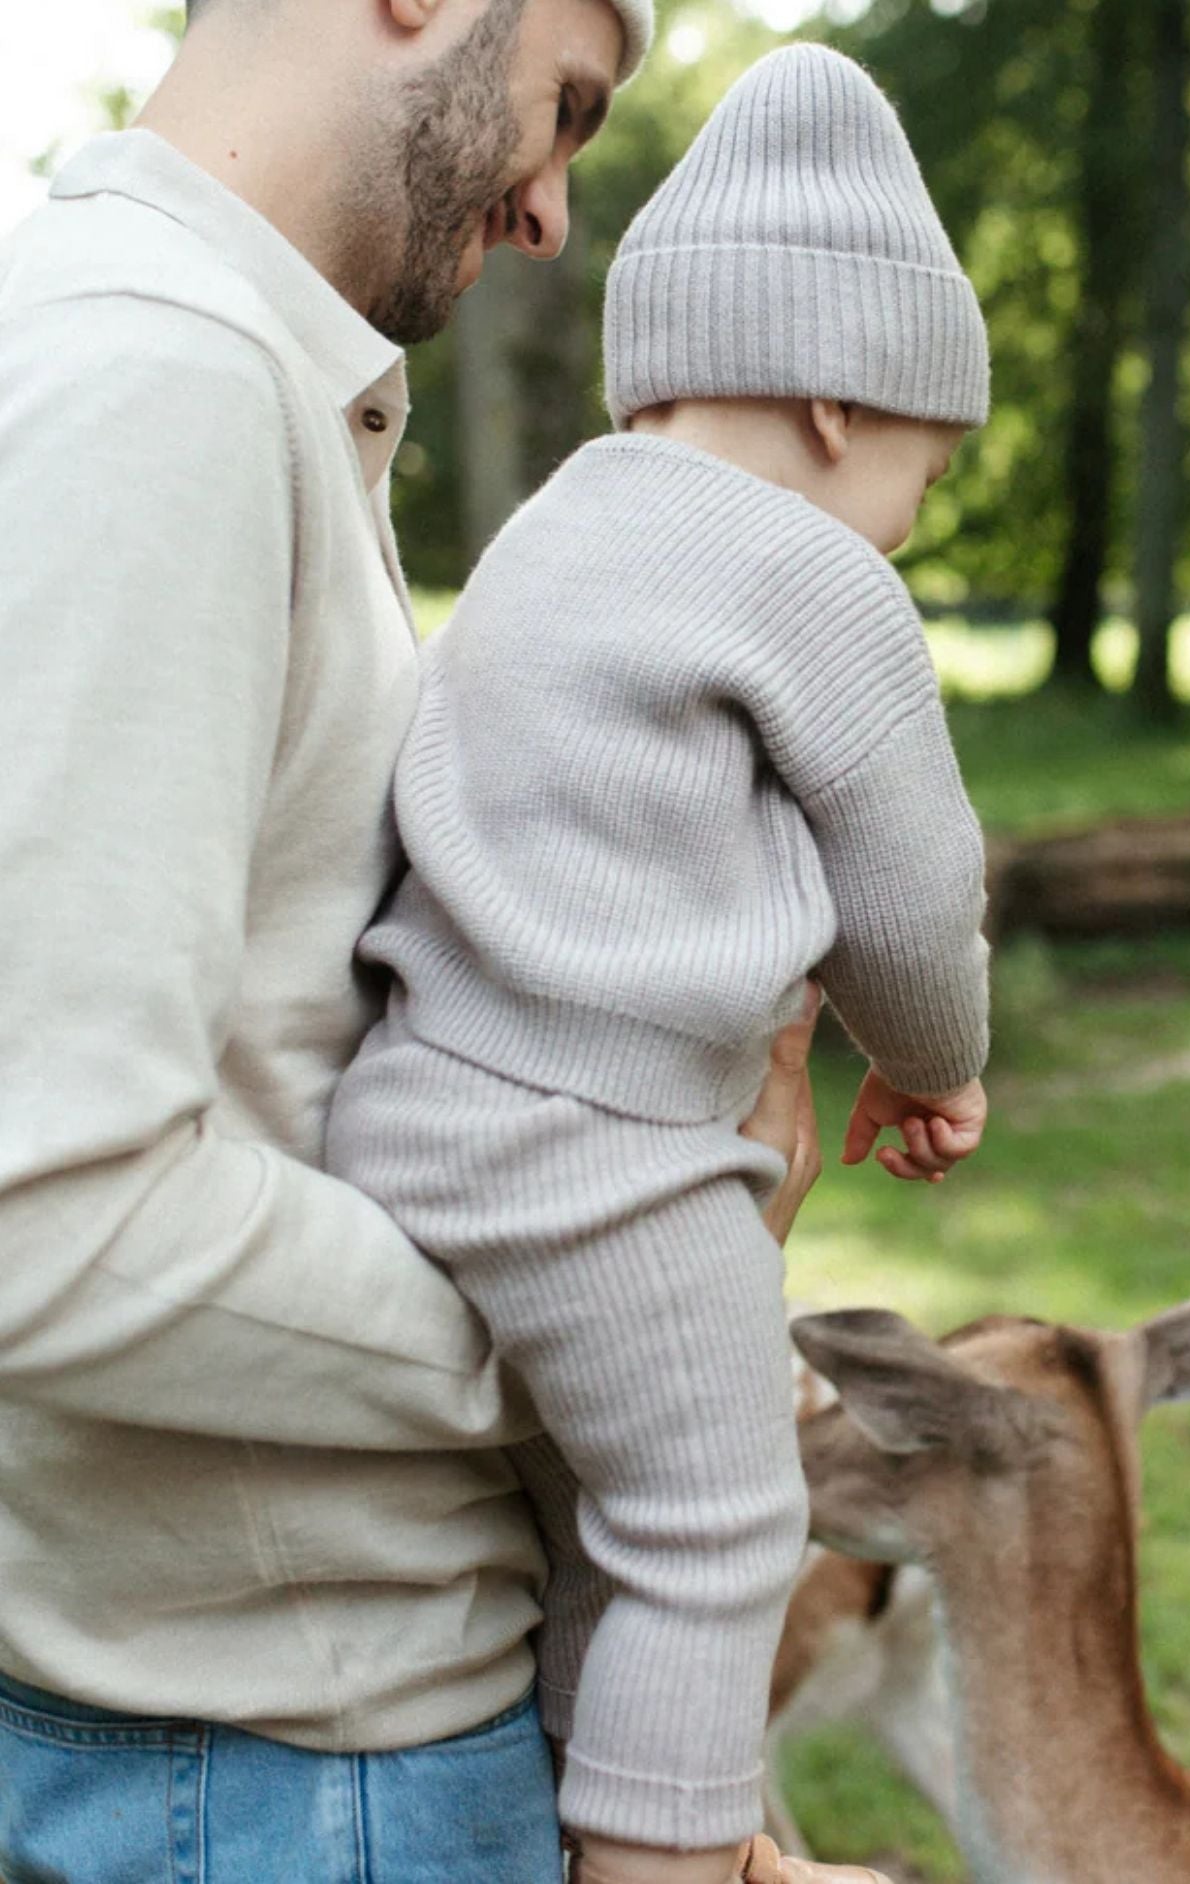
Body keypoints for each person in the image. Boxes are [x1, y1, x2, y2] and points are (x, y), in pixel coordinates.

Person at [0, 0, 841, 1879]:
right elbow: (42, 1201)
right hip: (295, 1776)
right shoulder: (164, 383)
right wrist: (603, 1318)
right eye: (565, 105)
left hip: (264, 1742)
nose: (550, 208)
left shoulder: (194, 366)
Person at [327, 41, 991, 1884]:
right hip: (608, 1165)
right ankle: (680, 1869)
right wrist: (934, 1059)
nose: (910, 523)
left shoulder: (554, 528)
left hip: (410, 1123)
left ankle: (629, 1829)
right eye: (931, 474)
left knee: (596, 1529)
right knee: (713, 1524)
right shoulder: (814, 575)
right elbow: (914, 886)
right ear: (845, 403)